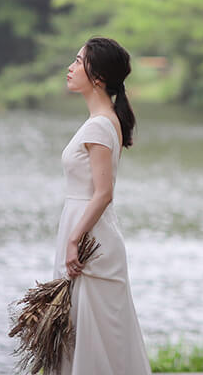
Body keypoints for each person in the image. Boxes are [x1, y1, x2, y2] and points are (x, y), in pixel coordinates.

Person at [55, 36, 151, 375]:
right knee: (85, 332)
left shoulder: (99, 124)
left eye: (78, 62)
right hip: (89, 229)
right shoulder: (106, 119)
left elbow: (103, 192)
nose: (70, 67)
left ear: (97, 78)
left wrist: (73, 239)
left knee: (92, 335)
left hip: (89, 235)